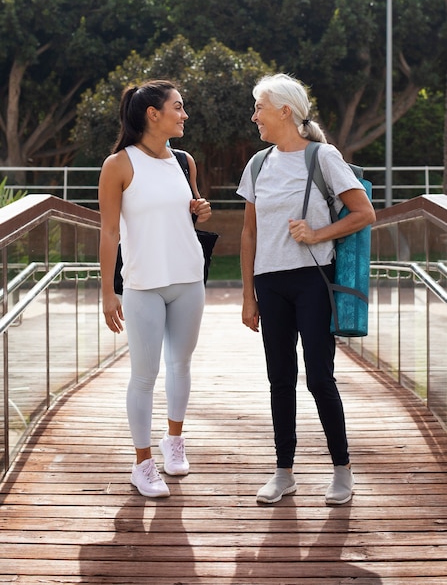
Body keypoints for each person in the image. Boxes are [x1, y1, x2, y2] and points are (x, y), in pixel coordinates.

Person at [237, 73, 376, 505]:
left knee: (319, 378)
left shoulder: (323, 156)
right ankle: (284, 472)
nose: (254, 115)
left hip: (313, 281)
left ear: (284, 111)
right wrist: (248, 294)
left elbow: (364, 213)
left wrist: (317, 235)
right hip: (270, 282)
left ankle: (342, 469)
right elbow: (248, 234)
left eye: (259, 107)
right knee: (280, 378)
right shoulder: (258, 164)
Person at [99, 80, 212, 498]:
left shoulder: (184, 161)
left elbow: (192, 209)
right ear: (153, 114)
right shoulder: (119, 165)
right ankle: (142, 464)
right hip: (143, 284)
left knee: (180, 364)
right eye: (178, 107)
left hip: (188, 279)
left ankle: (174, 441)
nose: (183, 115)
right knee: (144, 376)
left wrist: (200, 209)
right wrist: (107, 291)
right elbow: (109, 231)